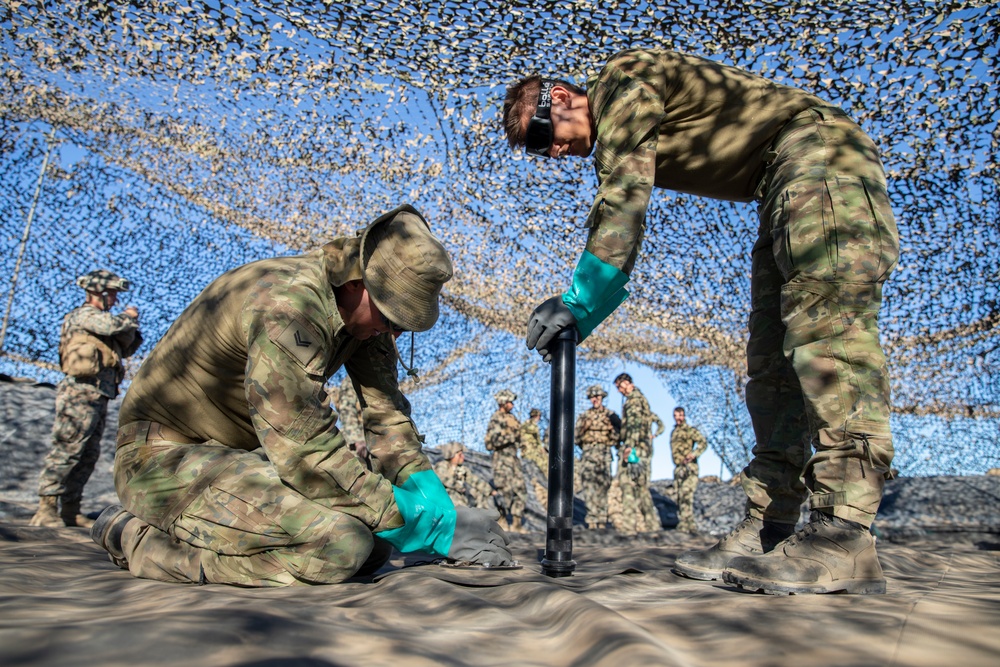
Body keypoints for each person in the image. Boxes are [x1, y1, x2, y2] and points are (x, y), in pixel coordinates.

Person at [505, 49, 898, 594]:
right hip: (778, 185)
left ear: (562, 96)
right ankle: (770, 523)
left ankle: (844, 534)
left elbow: (623, 198)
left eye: (545, 131)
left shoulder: (623, 82)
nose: (555, 149)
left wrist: (580, 303)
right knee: (771, 362)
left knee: (826, 335)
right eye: (539, 149)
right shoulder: (614, 121)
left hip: (821, 157)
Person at [89, 205, 511, 586]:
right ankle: (139, 539)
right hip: (164, 459)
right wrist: (433, 530)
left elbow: (388, 421)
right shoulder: (287, 305)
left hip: (238, 462)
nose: (394, 332)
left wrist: (437, 506)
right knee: (340, 547)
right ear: (358, 281)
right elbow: (305, 451)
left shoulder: (367, 318)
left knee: (375, 545)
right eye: (392, 317)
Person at [29, 269, 142, 528]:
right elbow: (111, 325)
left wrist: (130, 326)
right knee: (68, 447)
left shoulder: (104, 321)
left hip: (99, 393)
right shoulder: (84, 316)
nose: (114, 298)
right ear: (97, 293)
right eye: (111, 293)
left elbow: (127, 346)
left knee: (88, 453)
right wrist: (128, 317)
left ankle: (70, 509)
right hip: (79, 391)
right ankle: (46, 507)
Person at [613, 373, 663, 534]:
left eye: (620, 387)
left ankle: (629, 529)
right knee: (642, 488)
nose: (620, 391)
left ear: (628, 383)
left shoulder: (633, 401)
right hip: (643, 448)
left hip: (635, 449)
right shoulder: (642, 399)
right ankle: (653, 528)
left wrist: (629, 446)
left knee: (628, 485)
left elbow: (634, 425)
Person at [575, 384, 621, 529]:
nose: (595, 399)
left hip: (604, 453)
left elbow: (618, 436)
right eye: (592, 397)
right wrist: (585, 433)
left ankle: (602, 519)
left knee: (603, 486)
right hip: (589, 453)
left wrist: (610, 431)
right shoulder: (584, 416)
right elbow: (576, 437)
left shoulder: (610, 415)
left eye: (597, 396)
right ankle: (592, 519)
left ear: (602, 398)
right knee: (589, 487)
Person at [485, 389, 529, 532]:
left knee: (520, 489)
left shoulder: (513, 419)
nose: (512, 405)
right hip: (501, 460)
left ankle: (517, 524)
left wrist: (523, 444)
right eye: (509, 402)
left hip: (513, 459)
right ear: (503, 403)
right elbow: (491, 443)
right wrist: (511, 437)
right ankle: (502, 521)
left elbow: (520, 436)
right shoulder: (496, 418)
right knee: (504, 491)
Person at [670, 407, 708, 533]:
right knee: (680, 495)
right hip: (679, 468)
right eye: (676, 415)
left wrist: (694, 454)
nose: (678, 418)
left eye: (680, 415)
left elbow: (703, 442)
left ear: (684, 416)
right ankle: (685, 524)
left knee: (687, 494)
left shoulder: (690, 430)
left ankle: (688, 525)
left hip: (690, 468)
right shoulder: (674, 432)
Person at [433, 441, 496, 509]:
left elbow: (475, 480)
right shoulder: (441, 467)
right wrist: (460, 487)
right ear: (452, 455)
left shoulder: (462, 469)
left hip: (461, 496)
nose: (463, 457)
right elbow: (446, 480)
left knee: (479, 494)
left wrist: (491, 491)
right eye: (460, 455)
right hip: (446, 498)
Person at [334, 374, 369, 466]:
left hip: (374, 438)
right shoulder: (351, 380)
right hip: (358, 440)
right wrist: (357, 439)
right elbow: (347, 410)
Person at [519, 407, 549, 509]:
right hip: (531, 454)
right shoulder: (529, 425)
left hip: (532, 453)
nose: (538, 419)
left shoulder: (530, 426)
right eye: (538, 416)